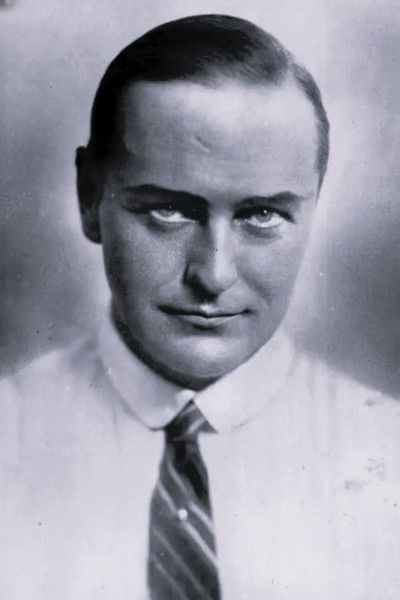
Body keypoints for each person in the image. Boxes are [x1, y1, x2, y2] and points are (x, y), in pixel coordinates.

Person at [1, 14, 399, 600]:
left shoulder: (387, 455)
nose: (213, 275)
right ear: (90, 197)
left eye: (262, 215)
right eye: (168, 211)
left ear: (314, 205)